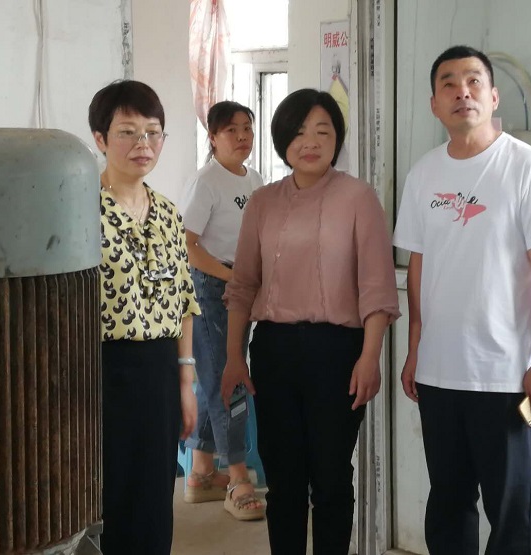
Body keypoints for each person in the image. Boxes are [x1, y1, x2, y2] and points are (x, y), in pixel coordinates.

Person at [393, 45, 531, 555]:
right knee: (448, 504)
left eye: (473, 81)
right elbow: (419, 266)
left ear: (492, 97)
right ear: (434, 103)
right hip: (439, 375)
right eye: (448, 83)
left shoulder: (529, 168)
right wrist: (415, 349)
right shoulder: (424, 174)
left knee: (511, 512)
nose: (461, 92)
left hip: (507, 378)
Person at [221, 88, 400, 555]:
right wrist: (233, 357)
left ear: (337, 139)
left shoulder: (358, 198)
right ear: (283, 140)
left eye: (323, 131)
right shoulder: (262, 202)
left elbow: (377, 287)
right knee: (283, 478)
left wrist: (370, 357)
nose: (311, 142)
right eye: (299, 132)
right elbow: (242, 285)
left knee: (331, 476)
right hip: (274, 350)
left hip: (337, 353)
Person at [88, 80, 200, 555]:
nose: (143, 144)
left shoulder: (169, 213)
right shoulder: (80, 209)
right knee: (109, 494)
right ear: (100, 138)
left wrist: (185, 380)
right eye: (128, 132)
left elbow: (185, 301)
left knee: (156, 494)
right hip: (101, 369)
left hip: (159, 369)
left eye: (153, 132)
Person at [177, 100, 265, 520]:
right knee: (227, 381)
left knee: (218, 378)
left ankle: (200, 473)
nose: (242, 136)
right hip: (211, 288)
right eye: (231, 130)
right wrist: (232, 277)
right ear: (212, 137)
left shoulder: (255, 178)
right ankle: (237, 479)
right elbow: (187, 245)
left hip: (240, 285)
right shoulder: (206, 181)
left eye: (247, 127)